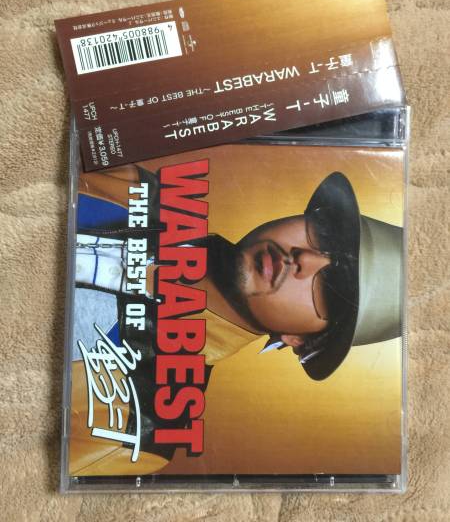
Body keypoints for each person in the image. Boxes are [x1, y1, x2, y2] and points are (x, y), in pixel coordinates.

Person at [69, 162, 403, 474]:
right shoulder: (147, 191)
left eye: (332, 288)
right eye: (326, 235)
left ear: (299, 339)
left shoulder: (145, 426)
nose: (305, 258)